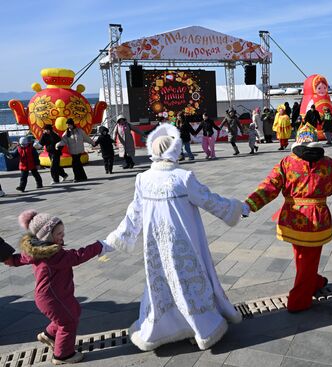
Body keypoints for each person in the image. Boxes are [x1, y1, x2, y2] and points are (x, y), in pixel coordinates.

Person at [104, 124, 243, 351]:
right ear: (176, 149)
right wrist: (236, 208)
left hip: (155, 245)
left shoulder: (143, 178)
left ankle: (162, 328)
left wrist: (118, 237)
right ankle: (201, 328)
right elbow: (210, 201)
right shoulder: (183, 177)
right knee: (187, 281)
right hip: (183, 242)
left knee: (160, 282)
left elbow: (134, 213)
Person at [244, 123, 332, 313]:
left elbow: (269, 188)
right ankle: (299, 300)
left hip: (292, 217)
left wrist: (249, 205)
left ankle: (315, 281)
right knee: (308, 258)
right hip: (317, 219)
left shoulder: (287, 163)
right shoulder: (329, 164)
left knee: (302, 256)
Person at [6, 209, 110, 364]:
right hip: (52, 297)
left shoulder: (35, 251)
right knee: (68, 322)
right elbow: (76, 256)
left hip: (55, 295)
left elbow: (19, 259)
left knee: (73, 311)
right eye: (59, 234)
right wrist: (99, 246)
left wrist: (10, 260)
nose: (63, 236)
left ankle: (49, 335)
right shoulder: (53, 255)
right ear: (47, 236)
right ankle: (63, 355)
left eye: (63, 232)